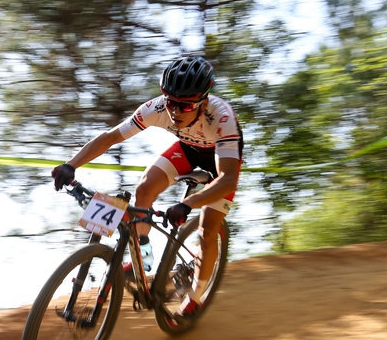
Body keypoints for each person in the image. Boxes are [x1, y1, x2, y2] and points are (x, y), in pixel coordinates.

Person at [50, 56, 243, 318]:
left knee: (207, 231)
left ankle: (196, 295)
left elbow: (228, 178)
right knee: (144, 190)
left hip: (220, 163)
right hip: (188, 150)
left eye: (184, 106)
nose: (174, 112)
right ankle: (144, 258)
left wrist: (187, 204)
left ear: (203, 102)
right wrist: (71, 165)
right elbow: (111, 137)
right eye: (171, 102)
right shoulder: (158, 108)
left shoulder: (221, 117)